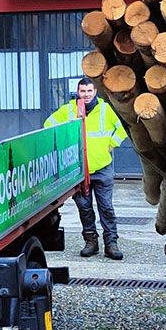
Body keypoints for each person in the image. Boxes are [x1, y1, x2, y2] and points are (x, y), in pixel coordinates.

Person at [44, 77, 126, 259]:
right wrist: (65, 143)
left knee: (106, 207)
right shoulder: (69, 110)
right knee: (84, 208)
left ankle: (111, 243)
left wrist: (111, 144)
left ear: (95, 91)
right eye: (83, 91)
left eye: (89, 91)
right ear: (78, 92)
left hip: (102, 167)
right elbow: (49, 124)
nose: (86, 94)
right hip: (79, 171)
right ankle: (91, 242)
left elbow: (123, 129)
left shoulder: (106, 109)